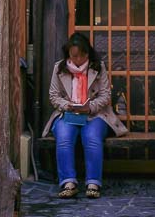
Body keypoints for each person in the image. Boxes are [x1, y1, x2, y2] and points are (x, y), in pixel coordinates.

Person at [42, 32, 128, 199]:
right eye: (74, 56)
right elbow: (54, 95)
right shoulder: (59, 68)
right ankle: (68, 182)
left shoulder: (98, 67)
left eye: (82, 55)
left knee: (92, 137)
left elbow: (105, 96)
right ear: (68, 54)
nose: (78, 59)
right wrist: (68, 105)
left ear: (88, 53)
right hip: (67, 113)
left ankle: (93, 183)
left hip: (94, 114)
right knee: (64, 137)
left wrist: (89, 108)